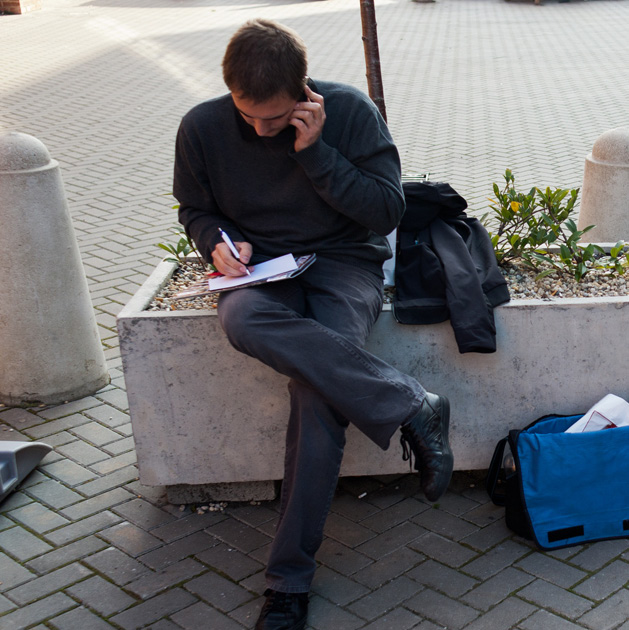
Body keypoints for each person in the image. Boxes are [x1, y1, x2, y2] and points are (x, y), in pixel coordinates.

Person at [173, 19, 453, 630]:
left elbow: (386, 211)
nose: (260, 130)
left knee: (317, 392)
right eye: (248, 116)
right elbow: (195, 208)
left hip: (343, 264)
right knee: (242, 321)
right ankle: (410, 404)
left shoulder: (349, 112)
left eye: (275, 119)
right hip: (262, 272)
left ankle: (288, 584)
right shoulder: (202, 125)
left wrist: (316, 153)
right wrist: (217, 243)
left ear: (304, 94)